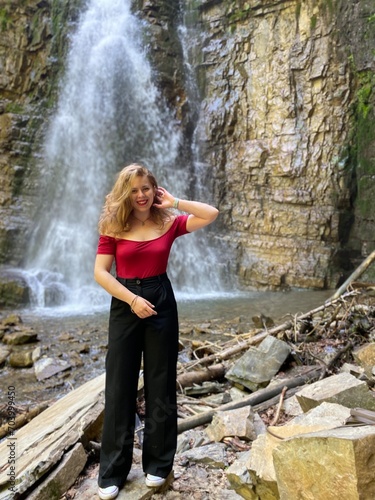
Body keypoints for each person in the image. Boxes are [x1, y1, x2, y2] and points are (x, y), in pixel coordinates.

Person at [94, 163, 219, 500]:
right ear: (125, 193)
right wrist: (132, 299)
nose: (141, 196)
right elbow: (101, 273)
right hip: (125, 302)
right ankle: (112, 472)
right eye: (134, 190)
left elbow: (211, 213)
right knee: (119, 382)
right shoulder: (112, 224)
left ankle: (158, 464)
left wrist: (176, 202)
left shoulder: (168, 222)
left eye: (146, 188)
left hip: (161, 299)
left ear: (155, 190)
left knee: (160, 381)